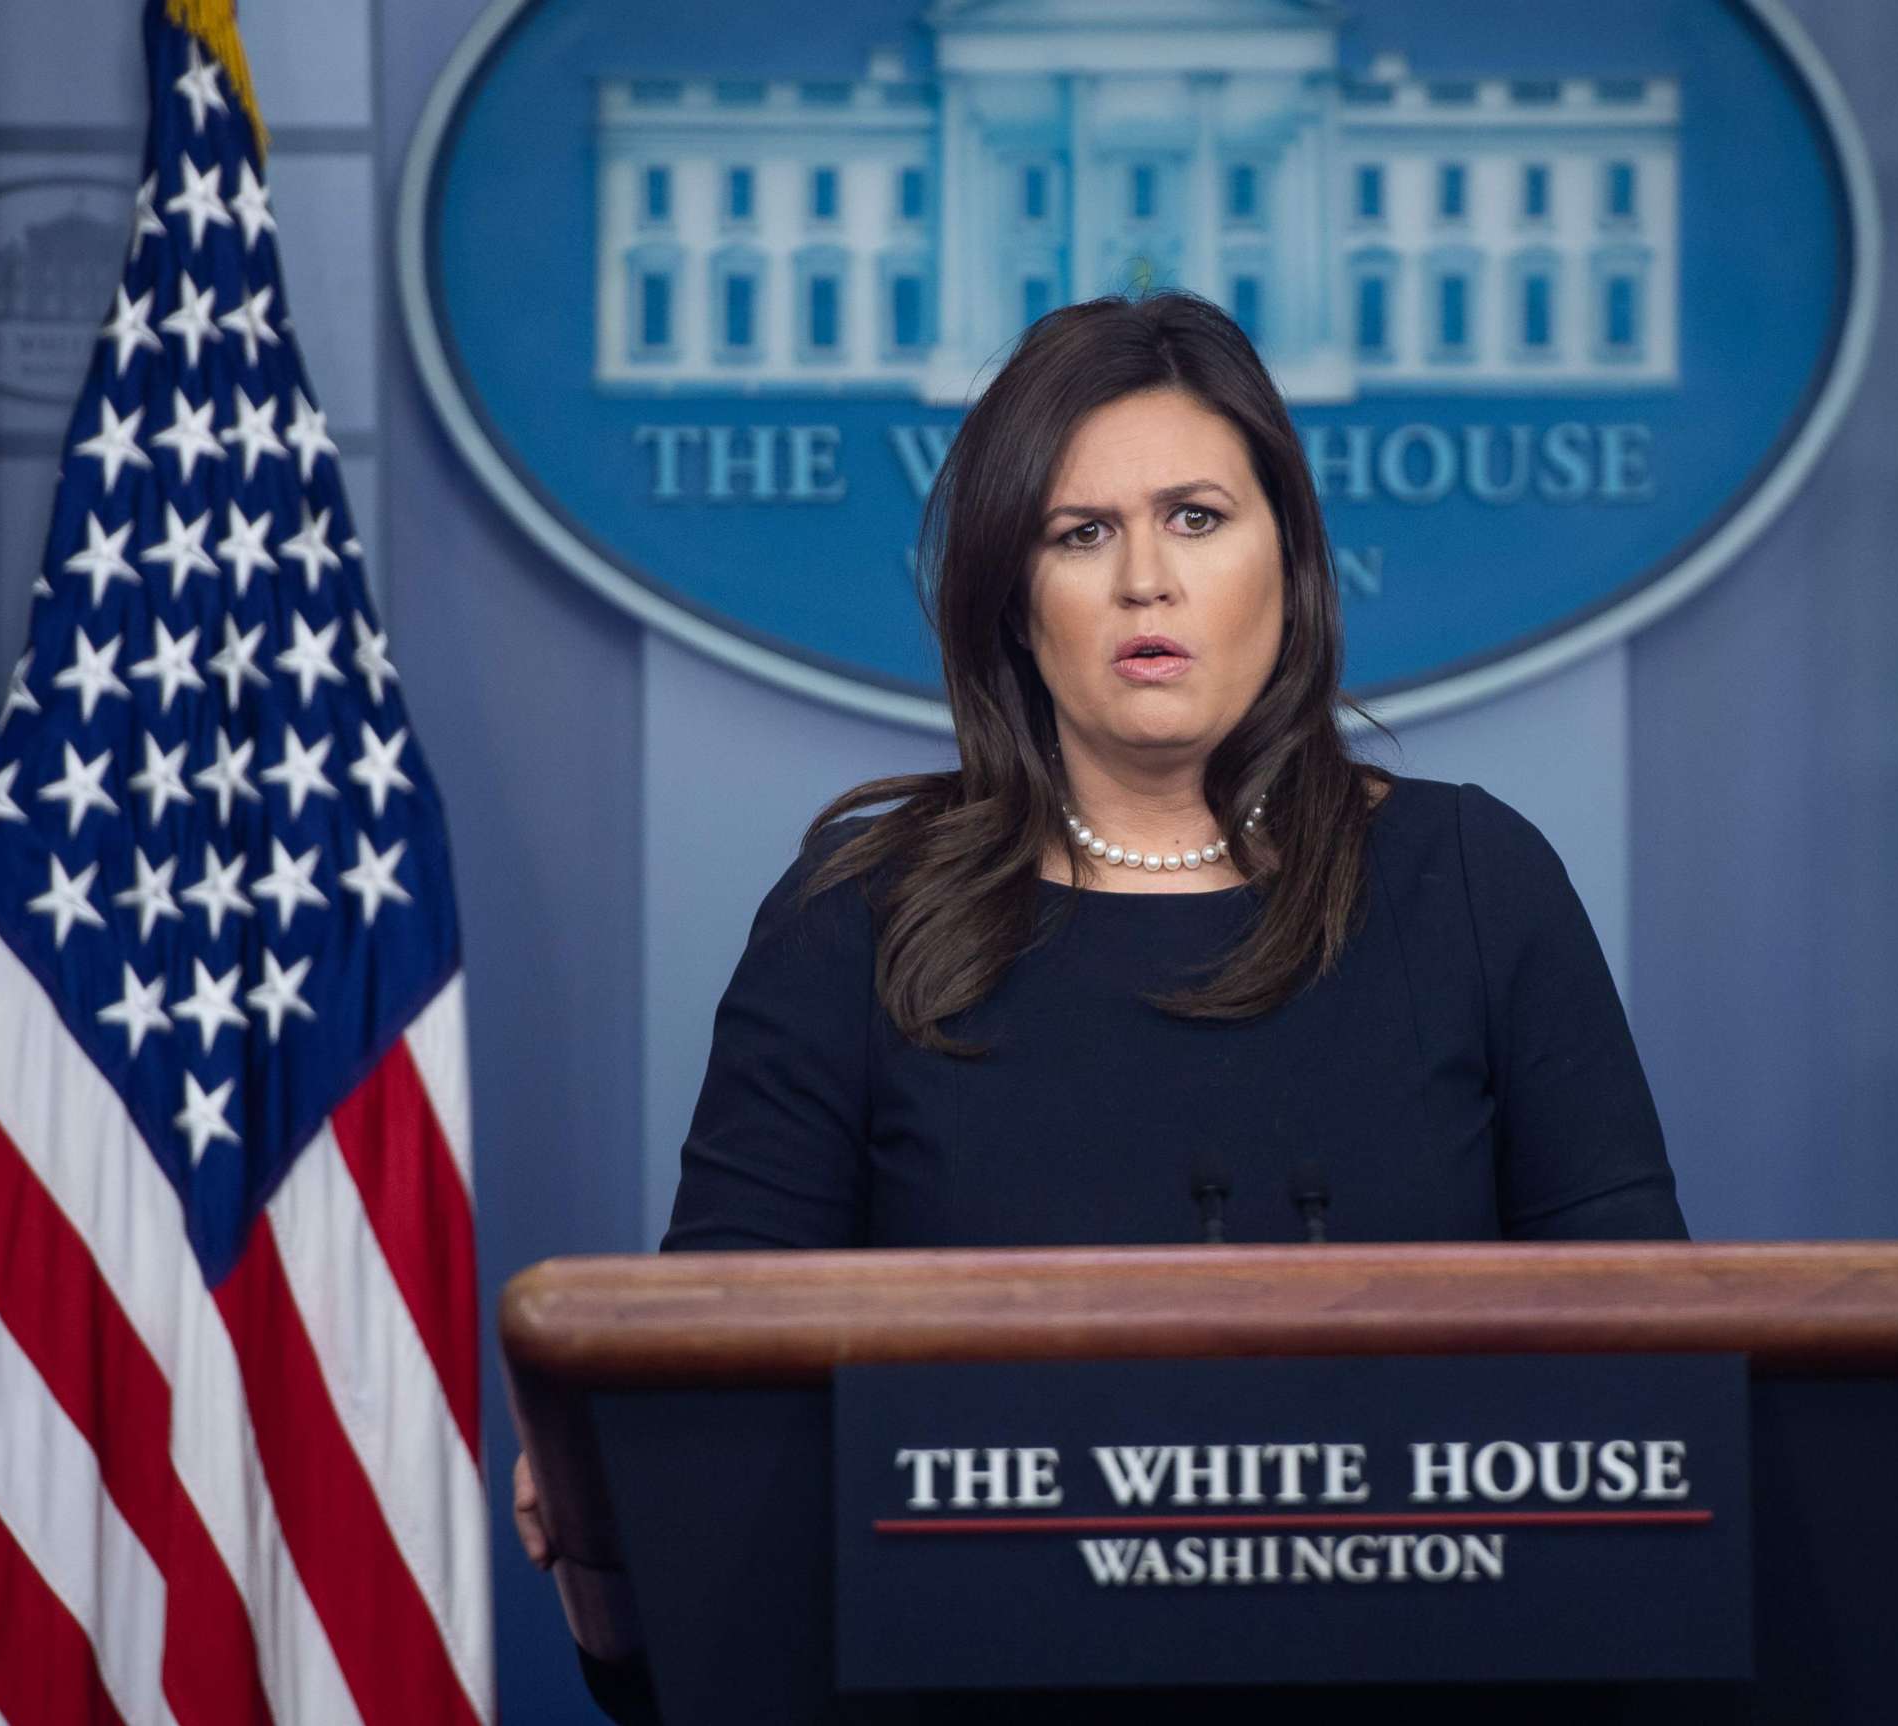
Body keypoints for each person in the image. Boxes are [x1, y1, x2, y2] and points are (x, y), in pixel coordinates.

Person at [515, 288, 1686, 1708]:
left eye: (1197, 516)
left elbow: (1651, 1401)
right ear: (1017, 593)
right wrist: (622, 1478)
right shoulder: (855, 917)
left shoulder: (1475, 880)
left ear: (1291, 558)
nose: (1147, 579)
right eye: (1083, 533)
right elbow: (710, 1404)